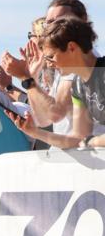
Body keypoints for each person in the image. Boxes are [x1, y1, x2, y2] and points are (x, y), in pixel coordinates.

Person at [12, 17, 105, 149]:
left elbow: (85, 140)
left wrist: (92, 142)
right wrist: (35, 132)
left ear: (72, 47)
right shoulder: (78, 86)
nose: (49, 64)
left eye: (51, 56)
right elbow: (77, 139)